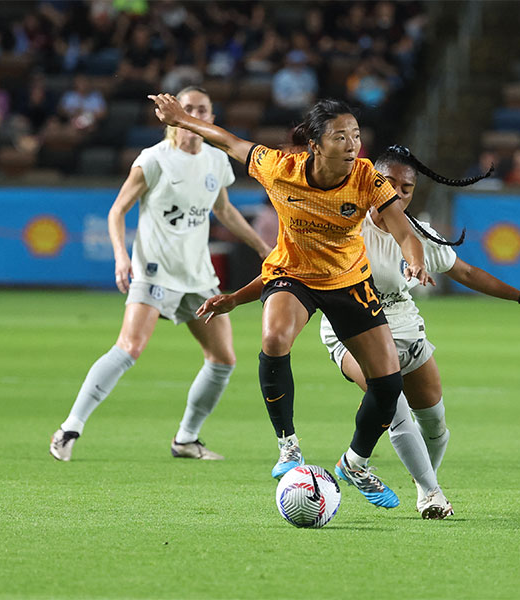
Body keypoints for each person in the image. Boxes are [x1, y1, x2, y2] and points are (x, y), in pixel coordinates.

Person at [198, 147, 520, 519]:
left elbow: (465, 273)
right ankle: (430, 495)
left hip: (405, 328)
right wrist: (236, 298)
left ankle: (385, 472)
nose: (398, 193)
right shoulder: (344, 225)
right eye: (389, 184)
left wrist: (519, 295)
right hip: (350, 330)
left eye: (407, 188)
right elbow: (288, 270)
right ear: (372, 183)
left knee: (434, 424)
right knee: (392, 402)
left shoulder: (417, 235)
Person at [148, 93, 430, 509]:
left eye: (355, 135)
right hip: (292, 275)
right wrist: (181, 119)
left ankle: (354, 463)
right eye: (340, 136)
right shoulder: (280, 169)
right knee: (275, 339)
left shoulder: (368, 177)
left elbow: (404, 231)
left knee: (388, 385)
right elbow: (228, 141)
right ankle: (289, 446)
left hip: (347, 281)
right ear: (316, 145)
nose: (352, 144)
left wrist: (415, 261)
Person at [50, 86, 272, 462]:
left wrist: (263, 249)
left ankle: (186, 439)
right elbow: (117, 210)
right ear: (170, 114)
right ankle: (70, 428)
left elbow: (224, 211)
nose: (196, 115)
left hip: (198, 276)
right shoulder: (153, 160)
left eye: (203, 110)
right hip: (154, 271)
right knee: (129, 348)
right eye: (188, 108)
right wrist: (122, 257)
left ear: (212, 119)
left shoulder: (217, 162)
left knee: (223, 360)